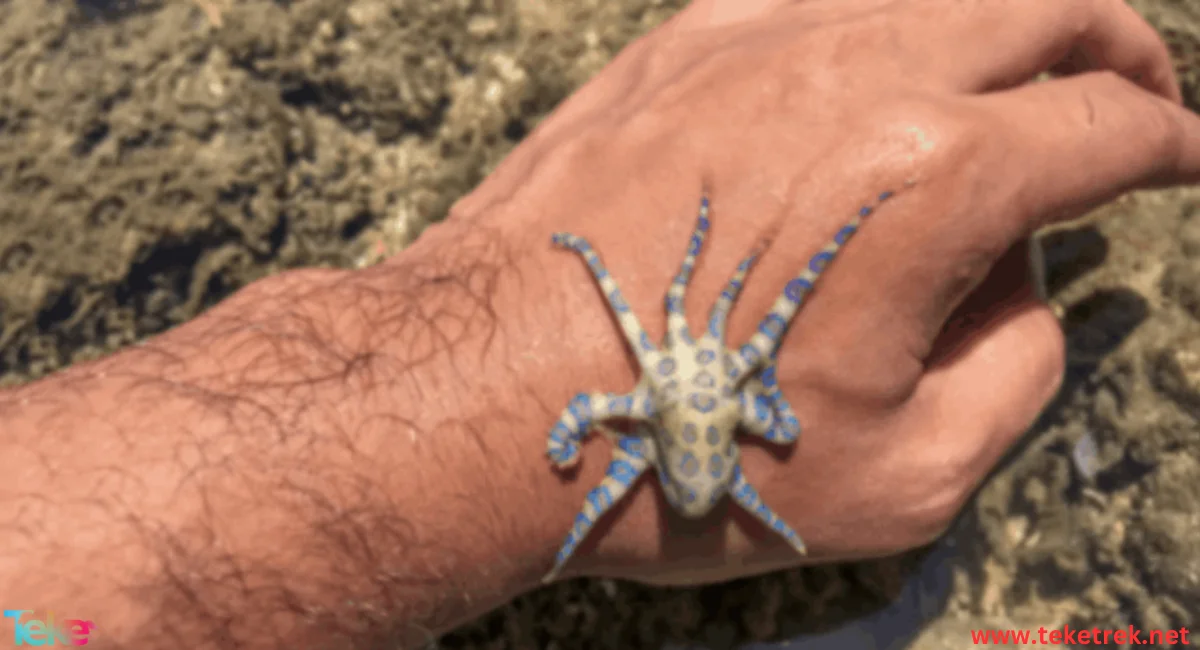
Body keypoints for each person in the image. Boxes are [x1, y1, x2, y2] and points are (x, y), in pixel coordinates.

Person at [2, 0, 1197, 648]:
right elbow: (729, 330)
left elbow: (614, 377)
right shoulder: (716, 382)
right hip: (709, 457)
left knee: (704, 313)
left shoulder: (661, 381)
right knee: (746, 308)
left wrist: (539, 354)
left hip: (695, 451)